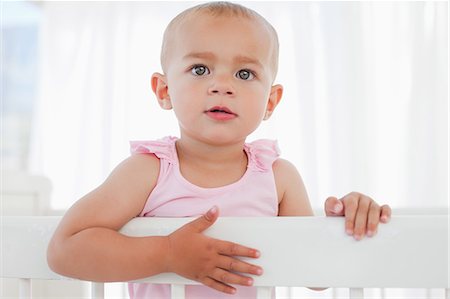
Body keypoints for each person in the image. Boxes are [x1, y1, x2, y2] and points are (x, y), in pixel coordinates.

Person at [47, 2, 391, 298]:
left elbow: (316, 275)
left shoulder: (278, 177)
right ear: (164, 90)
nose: (222, 86)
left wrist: (348, 220)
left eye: (244, 73)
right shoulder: (148, 170)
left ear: (270, 100)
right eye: (200, 69)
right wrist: (167, 253)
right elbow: (65, 249)